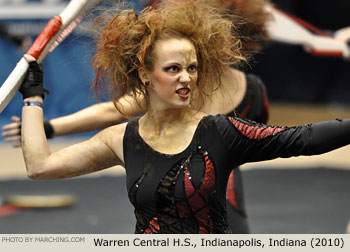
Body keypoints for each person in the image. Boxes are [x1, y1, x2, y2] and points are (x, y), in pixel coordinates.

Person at [18, 0, 350, 234]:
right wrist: (33, 101)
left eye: (192, 68)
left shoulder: (219, 131)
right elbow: (40, 167)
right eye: (173, 69)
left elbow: (304, 138)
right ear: (146, 75)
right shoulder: (120, 139)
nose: (187, 78)